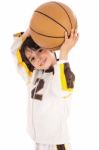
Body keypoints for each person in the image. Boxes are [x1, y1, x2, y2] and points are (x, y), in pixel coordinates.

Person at [11, 28, 79, 150]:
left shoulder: (64, 73)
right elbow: (16, 51)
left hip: (56, 143)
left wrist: (64, 52)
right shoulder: (32, 75)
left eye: (40, 50)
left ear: (51, 48)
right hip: (39, 142)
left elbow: (61, 89)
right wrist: (31, 29)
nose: (37, 58)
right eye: (32, 58)